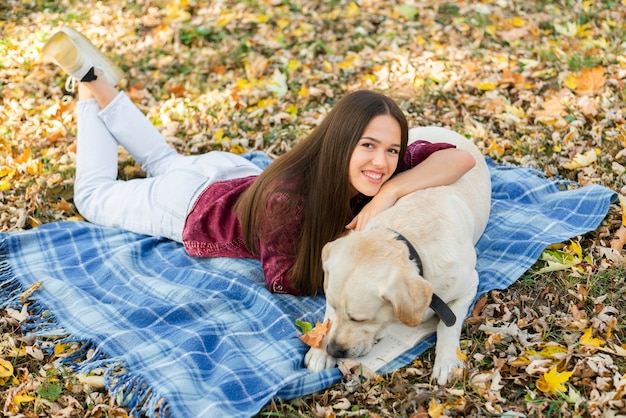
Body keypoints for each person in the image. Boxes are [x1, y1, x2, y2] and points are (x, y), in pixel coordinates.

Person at [41, 27, 476, 296]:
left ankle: (98, 82)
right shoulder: (290, 204)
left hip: (232, 174)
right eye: (368, 146)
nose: (381, 162)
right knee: (94, 196)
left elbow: (460, 158)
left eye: (392, 149)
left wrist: (391, 194)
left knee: (161, 158)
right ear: (340, 141)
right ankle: (86, 84)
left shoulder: (383, 174)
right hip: (191, 205)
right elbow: (283, 278)